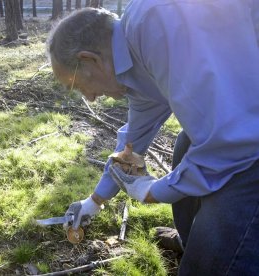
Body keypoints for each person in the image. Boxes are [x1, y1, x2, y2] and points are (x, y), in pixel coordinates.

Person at [46, 1, 259, 275]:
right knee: (184, 145)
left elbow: (229, 144)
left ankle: (213, 255)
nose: (89, 97)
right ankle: (192, 241)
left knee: (208, 261)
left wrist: (153, 192)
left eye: (77, 85)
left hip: (249, 140)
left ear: (90, 59)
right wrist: (95, 201)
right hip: (243, 125)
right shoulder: (135, 58)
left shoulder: (156, 26)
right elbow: (131, 142)